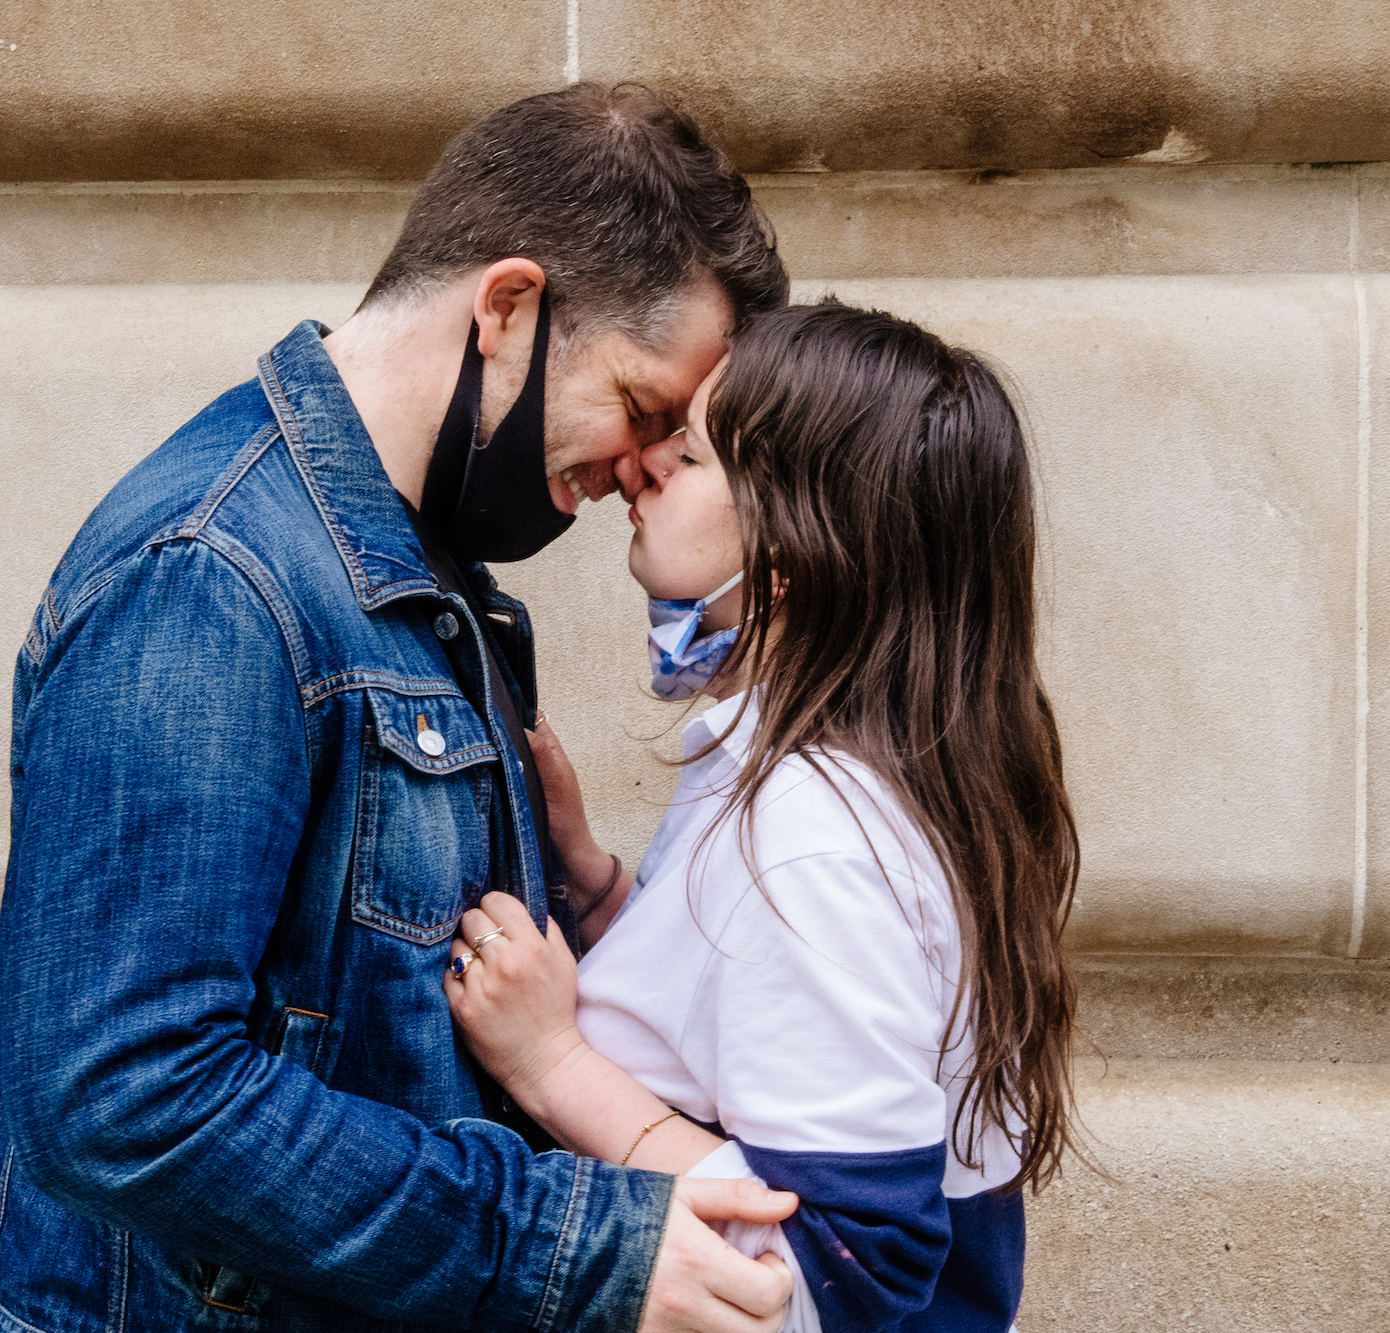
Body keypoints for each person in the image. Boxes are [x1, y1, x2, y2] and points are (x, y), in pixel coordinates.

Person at [0, 84, 803, 1333]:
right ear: (507, 308)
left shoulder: (431, 584)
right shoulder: (210, 574)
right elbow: (124, 1095)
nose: (636, 468)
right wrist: (575, 1247)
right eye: (639, 408)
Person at [443, 300, 1085, 1333]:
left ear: (788, 562)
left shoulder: (809, 842)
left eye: (689, 452)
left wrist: (553, 1066)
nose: (642, 465)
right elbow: (746, 1024)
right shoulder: (836, 780)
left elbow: (847, 1269)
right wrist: (598, 885)